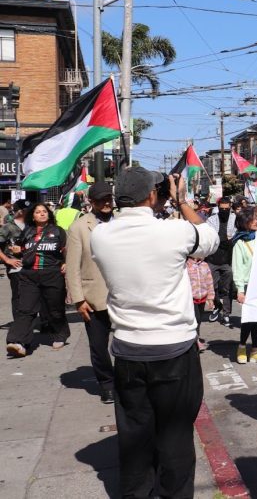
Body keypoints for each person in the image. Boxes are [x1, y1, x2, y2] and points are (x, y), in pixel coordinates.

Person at [90, 168, 219, 498]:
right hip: (173, 349)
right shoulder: (174, 231)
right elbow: (210, 241)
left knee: (134, 434)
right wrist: (180, 199)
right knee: (175, 437)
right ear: (152, 195)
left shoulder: (100, 235)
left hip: (129, 348)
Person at [65, 182, 116, 402]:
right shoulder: (79, 227)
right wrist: (78, 300)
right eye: (101, 199)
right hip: (93, 297)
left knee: (131, 343)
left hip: (125, 294)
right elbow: (73, 266)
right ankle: (107, 384)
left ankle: (128, 380)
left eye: (109, 199)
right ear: (91, 202)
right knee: (98, 346)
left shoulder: (123, 222)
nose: (106, 203)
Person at [5, 202, 68, 357]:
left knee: (55, 308)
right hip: (29, 275)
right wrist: (17, 252)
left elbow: (66, 250)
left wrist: (67, 263)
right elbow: (20, 250)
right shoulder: (27, 232)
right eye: (38, 212)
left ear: (49, 214)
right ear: (32, 215)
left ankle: (60, 334)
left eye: (44, 211)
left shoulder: (58, 231)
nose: (41, 213)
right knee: (25, 309)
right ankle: (17, 342)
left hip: (52, 274)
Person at [232, 207, 257, 365]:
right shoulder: (239, 242)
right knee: (248, 318)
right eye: (253, 218)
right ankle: (241, 347)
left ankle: (255, 350)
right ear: (244, 222)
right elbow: (238, 267)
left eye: (256, 217)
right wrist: (240, 290)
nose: (256, 220)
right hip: (248, 285)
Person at [206, 196, 236, 326]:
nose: (224, 211)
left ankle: (226, 314)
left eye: (226, 208)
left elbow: (236, 235)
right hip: (212, 259)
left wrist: (227, 241)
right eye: (222, 208)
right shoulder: (211, 220)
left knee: (227, 289)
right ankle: (217, 306)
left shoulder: (235, 219)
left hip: (228, 260)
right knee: (212, 287)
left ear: (230, 207)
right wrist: (225, 240)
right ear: (218, 208)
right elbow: (210, 236)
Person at [0, 201, 27, 324]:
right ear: (21, 211)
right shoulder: (8, 227)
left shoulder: (31, 226)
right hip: (16, 268)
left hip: (32, 266)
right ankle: (19, 323)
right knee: (18, 295)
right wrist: (7, 260)